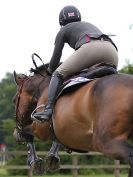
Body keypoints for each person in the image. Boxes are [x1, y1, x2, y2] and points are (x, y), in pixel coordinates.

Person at [32, 5, 118, 122]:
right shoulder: (88, 24)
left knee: (57, 74)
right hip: (112, 50)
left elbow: (56, 57)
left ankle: (48, 110)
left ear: (61, 20)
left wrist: (50, 71)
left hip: (91, 48)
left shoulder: (63, 30)